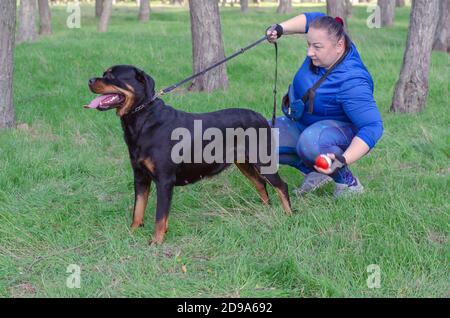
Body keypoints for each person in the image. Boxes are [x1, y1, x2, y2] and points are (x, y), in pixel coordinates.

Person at [266, 12, 383, 198]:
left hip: (333, 135)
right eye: (308, 44)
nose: (309, 52)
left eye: (317, 47)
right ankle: (317, 171)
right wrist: (279, 28)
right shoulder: (326, 30)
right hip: (301, 124)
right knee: (258, 138)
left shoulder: (352, 81)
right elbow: (310, 20)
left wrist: (341, 160)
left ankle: (347, 183)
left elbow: (372, 127)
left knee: (310, 143)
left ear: (339, 45)